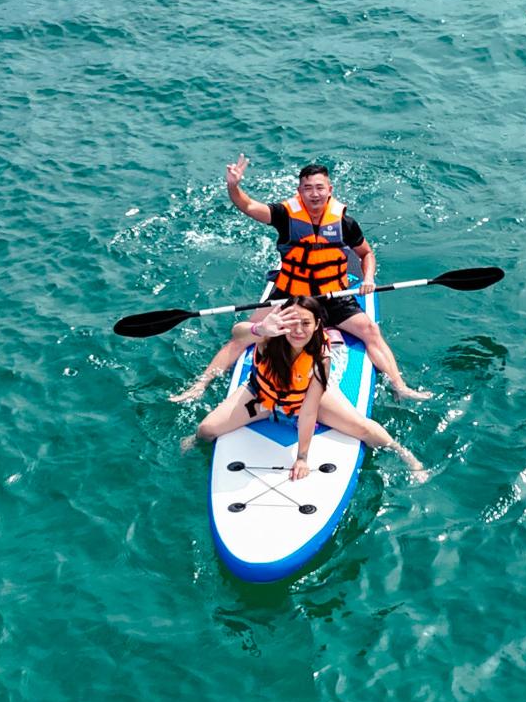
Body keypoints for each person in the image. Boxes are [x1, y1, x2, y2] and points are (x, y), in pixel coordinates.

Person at [170, 155, 431, 403]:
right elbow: (248, 206)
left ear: (330, 189)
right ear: (300, 190)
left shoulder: (345, 223)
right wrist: (233, 186)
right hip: (290, 295)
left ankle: (400, 386)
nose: (314, 194)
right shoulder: (285, 216)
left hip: (333, 296)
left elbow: (366, 254)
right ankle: (200, 385)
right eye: (308, 188)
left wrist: (368, 278)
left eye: (319, 187)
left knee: (370, 331)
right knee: (245, 334)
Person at [181, 297, 426, 482]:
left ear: (317, 324)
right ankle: (193, 440)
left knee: (364, 429)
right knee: (206, 429)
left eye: (305, 323)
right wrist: (259, 329)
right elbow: (237, 333)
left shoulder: (321, 357)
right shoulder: (269, 337)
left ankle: (405, 455)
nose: (298, 330)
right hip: (262, 397)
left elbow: (308, 412)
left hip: (307, 400)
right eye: (293, 323)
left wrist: (302, 457)